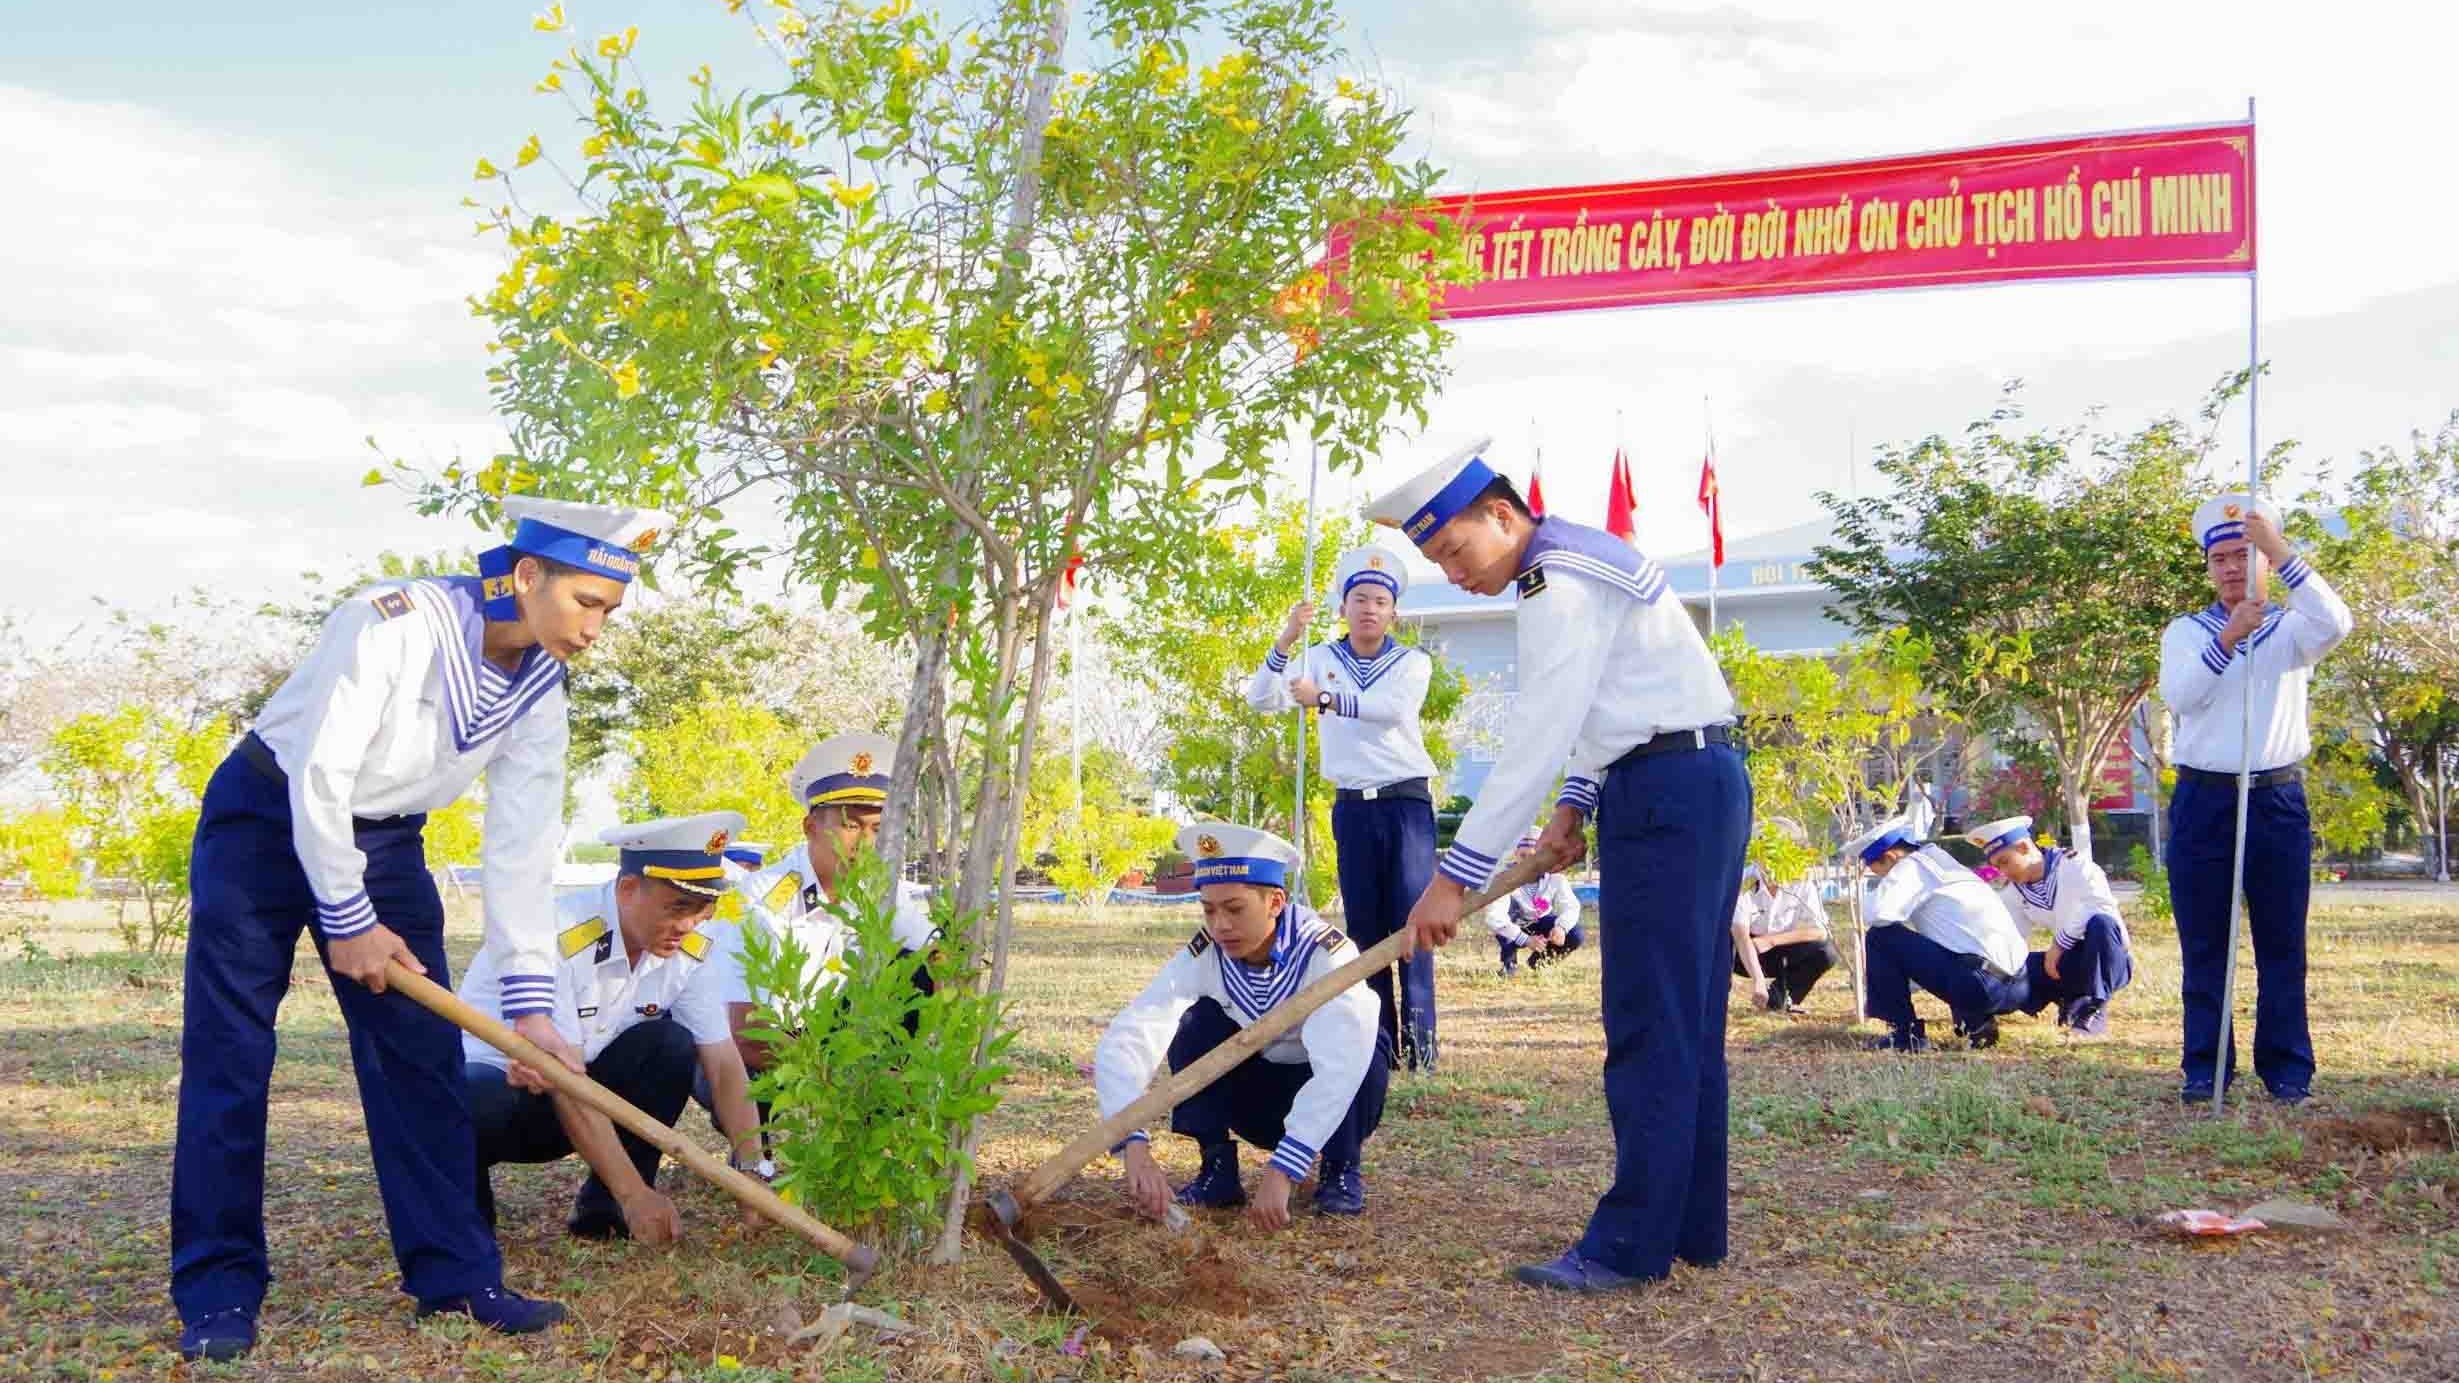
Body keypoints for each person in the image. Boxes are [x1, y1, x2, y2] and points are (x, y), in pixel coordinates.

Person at [171, 497, 666, 1359]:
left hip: (389, 838)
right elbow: (319, 774)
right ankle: (217, 1289)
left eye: (611, 613)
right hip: (265, 813)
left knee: (422, 1062)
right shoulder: (392, 622)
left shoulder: (543, 684)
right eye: (587, 602)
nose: (597, 629)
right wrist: (348, 919)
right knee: (231, 1054)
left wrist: (532, 1006)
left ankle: (456, 1278)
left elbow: (520, 850)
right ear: (524, 575)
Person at [1374, 439, 1750, 1294]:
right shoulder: (1574, 558)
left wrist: (1452, 878)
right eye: (1437, 562)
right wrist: (1574, 808)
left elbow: (1540, 731)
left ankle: (1626, 1247)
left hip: (1666, 793)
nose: (1456, 575)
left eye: (1455, 552)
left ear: (1500, 514)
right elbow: (1605, 711)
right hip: (1684, 779)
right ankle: (1689, 1226)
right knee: (1685, 1021)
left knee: (1650, 1022)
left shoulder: (1556, 581)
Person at [458, 813, 768, 1241]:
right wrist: (635, 1193)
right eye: (678, 907)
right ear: (627, 890)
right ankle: (464, 1220)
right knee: (467, 1096)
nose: (689, 925)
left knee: (669, 1045)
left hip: (583, 1096)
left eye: (702, 910)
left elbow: (723, 1061)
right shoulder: (558, 935)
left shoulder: (689, 948)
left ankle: (604, 1212)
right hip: (508, 1098)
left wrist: (753, 1169)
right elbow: (564, 1079)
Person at [1095, 823, 1386, 1227]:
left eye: (1234, 909)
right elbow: (1132, 1034)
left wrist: (1284, 1169)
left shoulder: (1326, 954)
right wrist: (1132, 1143)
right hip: (1256, 1102)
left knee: (1364, 1042)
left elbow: (1340, 1068)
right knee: (1196, 1024)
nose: (1220, 926)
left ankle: (1339, 1169)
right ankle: (1217, 1170)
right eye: (1209, 909)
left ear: (1275, 902)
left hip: (1333, 1103)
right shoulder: (1206, 954)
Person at [2158, 497, 2351, 1104]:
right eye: (2220, 559)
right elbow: (2181, 696)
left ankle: (2288, 1069)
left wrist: (2283, 553)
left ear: (2262, 559)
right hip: (2203, 800)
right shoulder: (2186, 632)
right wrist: (2227, 638)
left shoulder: (2292, 632)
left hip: (2275, 799)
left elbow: (2337, 622)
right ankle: (2206, 1067)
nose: (2231, 569)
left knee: (2281, 941)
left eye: (2243, 555)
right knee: (2206, 943)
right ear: (2208, 568)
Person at [1247, 544, 1441, 1071]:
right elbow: (1262, 698)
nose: (1369, 608)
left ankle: (1421, 1050)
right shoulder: (1319, 657)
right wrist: (1288, 638)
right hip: (1353, 807)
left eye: (1380, 600)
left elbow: (1391, 710)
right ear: (1343, 607)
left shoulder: (1412, 662)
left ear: (1393, 611)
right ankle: (1377, 1047)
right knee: (1365, 929)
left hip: (1405, 802)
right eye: (1359, 598)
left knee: (1413, 922)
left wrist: (1326, 701)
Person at [719, 731, 938, 1073]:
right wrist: (842, 1074)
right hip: (758, 1045)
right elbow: (746, 1031)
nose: (865, 844)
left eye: (877, 829)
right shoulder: (759, 901)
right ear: (810, 827)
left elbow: (935, 953)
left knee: (916, 965)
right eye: (851, 826)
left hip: (835, 1037)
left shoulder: (878, 892)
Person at [1845, 816, 2032, 1052]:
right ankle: (1977, 1024)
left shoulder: (1911, 866)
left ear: (1892, 856)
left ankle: (1905, 1035)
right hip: (2018, 985)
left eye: (1881, 872)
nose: (1885, 879)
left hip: (1983, 985)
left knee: (1881, 938)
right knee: (1951, 943)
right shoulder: (1940, 860)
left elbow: (1878, 914)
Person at [1965, 815, 2134, 1038]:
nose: (2003, 872)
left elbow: (2097, 905)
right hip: (2069, 962)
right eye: (1997, 866)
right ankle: (2070, 999)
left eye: (2005, 861)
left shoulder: (2075, 865)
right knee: (2018, 966)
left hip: (2110, 958)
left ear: (2024, 847)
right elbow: (2010, 938)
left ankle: (2094, 1010)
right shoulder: (2015, 892)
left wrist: (2059, 945)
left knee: (2100, 924)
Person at [1730, 864, 1839, 1015]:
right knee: (1722, 944)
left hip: (1779, 947)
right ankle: (1715, 1002)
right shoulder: (1744, 880)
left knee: (1827, 952)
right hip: (1743, 952)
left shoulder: (1802, 881)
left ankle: (1779, 999)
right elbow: (1741, 937)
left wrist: (1771, 941)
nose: (1771, 869)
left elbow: (1820, 931)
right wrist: (1758, 980)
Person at [1482, 833, 1585, 977]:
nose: (1528, 861)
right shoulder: (1503, 878)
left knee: (1575, 934)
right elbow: (1495, 917)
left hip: (1541, 920)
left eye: (1533, 856)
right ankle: (1509, 963)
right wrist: (1526, 940)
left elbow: (1571, 906)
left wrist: (1561, 928)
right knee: (1505, 923)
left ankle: (1539, 962)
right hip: (1516, 923)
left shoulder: (1555, 877)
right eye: (1523, 856)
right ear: (1515, 855)